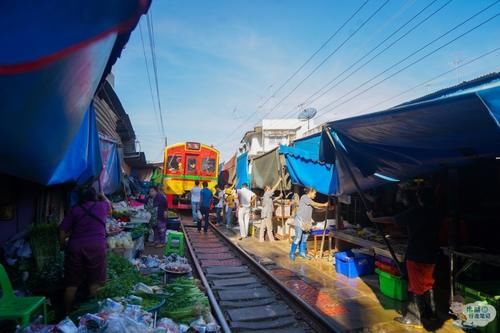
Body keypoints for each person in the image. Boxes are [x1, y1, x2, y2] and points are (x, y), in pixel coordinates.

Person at [366, 187, 440, 327]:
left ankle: (415, 317)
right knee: (427, 284)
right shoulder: (436, 212)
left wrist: (373, 218)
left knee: (416, 285)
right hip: (432, 253)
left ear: (419, 198)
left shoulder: (416, 211)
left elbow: (392, 220)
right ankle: (431, 314)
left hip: (417, 253)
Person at [59, 186, 111, 313]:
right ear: (94, 196)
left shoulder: (74, 210)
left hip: (76, 247)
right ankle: (93, 314)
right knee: (95, 280)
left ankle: (67, 313)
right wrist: (102, 195)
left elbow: (62, 231)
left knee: (72, 283)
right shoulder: (102, 206)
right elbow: (110, 206)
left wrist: (62, 246)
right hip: (96, 246)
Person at [289, 187, 328, 261]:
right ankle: (292, 253)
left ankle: (302, 253)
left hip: (307, 223)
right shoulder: (304, 197)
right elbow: (314, 203)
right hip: (300, 221)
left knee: (304, 238)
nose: (315, 195)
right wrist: (324, 204)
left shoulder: (310, 201)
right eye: (314, 193)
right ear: (310, 192)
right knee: (298, 238)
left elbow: (316, 209)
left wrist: (326, 209)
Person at [259, 178, 282, 242]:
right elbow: (274, 188)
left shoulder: (266, 195)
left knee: (263, 227)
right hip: (267, 213)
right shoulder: (267, 193)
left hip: (264, 213)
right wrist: (279, 181)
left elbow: (273, 200)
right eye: (269, 187)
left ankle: (261, 239)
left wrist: (279, 197)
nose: (270, 188)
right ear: (266, 189)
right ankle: (272, 240)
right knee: (269, 227)